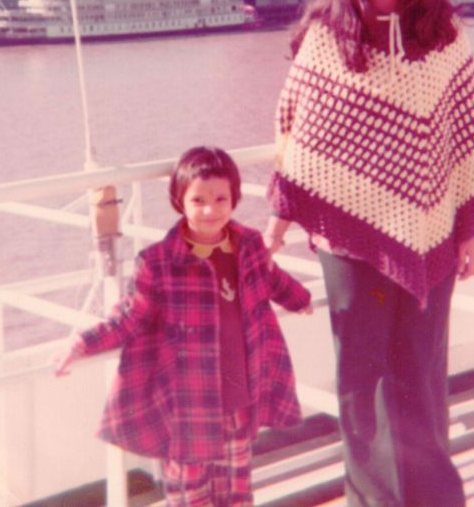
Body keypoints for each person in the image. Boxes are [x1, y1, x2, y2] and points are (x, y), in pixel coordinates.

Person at [263, 0, 474, 507]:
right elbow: (297, 131)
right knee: (362, 382)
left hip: (432, 229)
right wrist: (280, 217)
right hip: (347, 240)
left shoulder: (443, 31)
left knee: (421, 375)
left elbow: (468, 132)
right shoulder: (327, 37)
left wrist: (471, 227)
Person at [56, 146, 313, 507]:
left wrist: (300, 300)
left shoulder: (250, 246)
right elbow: (130, 315)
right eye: (198, 200)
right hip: (186, 410)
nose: (210, 210)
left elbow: (269, 279)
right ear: (180, 201)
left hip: (240, 399)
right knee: (190, 499)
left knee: (237, 494)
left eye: (221, 198)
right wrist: (82, 343)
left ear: (235, 198)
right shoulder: (159, 263)